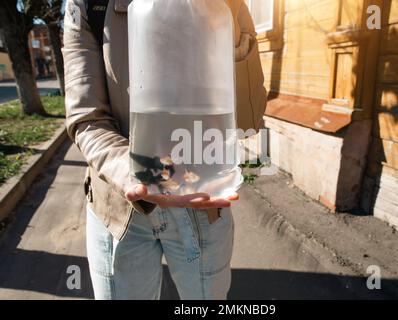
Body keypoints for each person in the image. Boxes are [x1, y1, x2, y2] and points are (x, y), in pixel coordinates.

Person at [63, 0, 258, 300]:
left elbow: (249, 117)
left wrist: (219, 18)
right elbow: (85, 117)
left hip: (202, 202)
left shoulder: (227, 5)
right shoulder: (87, 5)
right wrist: (136, 174)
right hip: (117, 208)